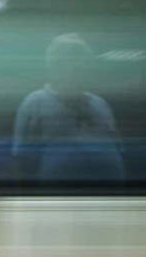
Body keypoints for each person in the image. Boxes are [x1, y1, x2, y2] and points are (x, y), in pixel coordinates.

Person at [12, 34, 125, 185]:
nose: (76, 67)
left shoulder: (100, 104)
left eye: (82, 61)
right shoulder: (35, 103)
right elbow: (20, 159)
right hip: (60, 199)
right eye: (69, 61)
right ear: (54, 65)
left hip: (112, 198)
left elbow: (118, 151)